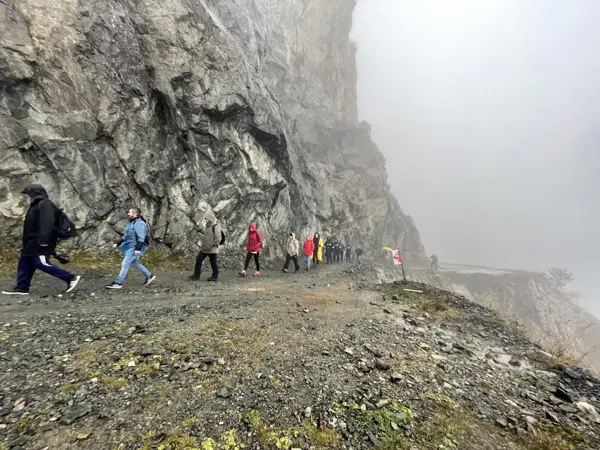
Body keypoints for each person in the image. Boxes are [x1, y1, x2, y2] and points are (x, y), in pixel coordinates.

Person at [2, 185, 81, 295]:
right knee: (25, 261)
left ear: (34, 194)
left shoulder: (45, 204)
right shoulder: (37, 205)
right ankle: (22, 287)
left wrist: (44, 240)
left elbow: (47, 223)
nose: (28, 196)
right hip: (31, 242)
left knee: (41, 263)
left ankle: (70, 277)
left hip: (41, 241)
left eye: (29, 194)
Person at [106, 208, 155, 289]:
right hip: (130, 246)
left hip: (134, 247)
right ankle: (149, 275)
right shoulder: (132, 223)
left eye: (129, 212)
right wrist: (118, 243)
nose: (128, 214)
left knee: (125, 263)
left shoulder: (139, 224)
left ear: (135, 214)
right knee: (134, 262)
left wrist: (138, 249)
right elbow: (126, 236)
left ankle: (118, 282)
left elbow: (141, 237)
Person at [189, 216, 222, 281]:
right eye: (205, 219)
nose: (205, 220)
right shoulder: (207, 227)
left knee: (213, 262)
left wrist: (211, 245)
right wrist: (200, 230)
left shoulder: (215, 227)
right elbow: (207, 235)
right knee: (199, 259)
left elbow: (218, 238)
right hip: (205, 248)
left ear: (210, 219)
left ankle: (215, 276)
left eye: (207, 219)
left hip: (212, 249)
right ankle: (196, 275)